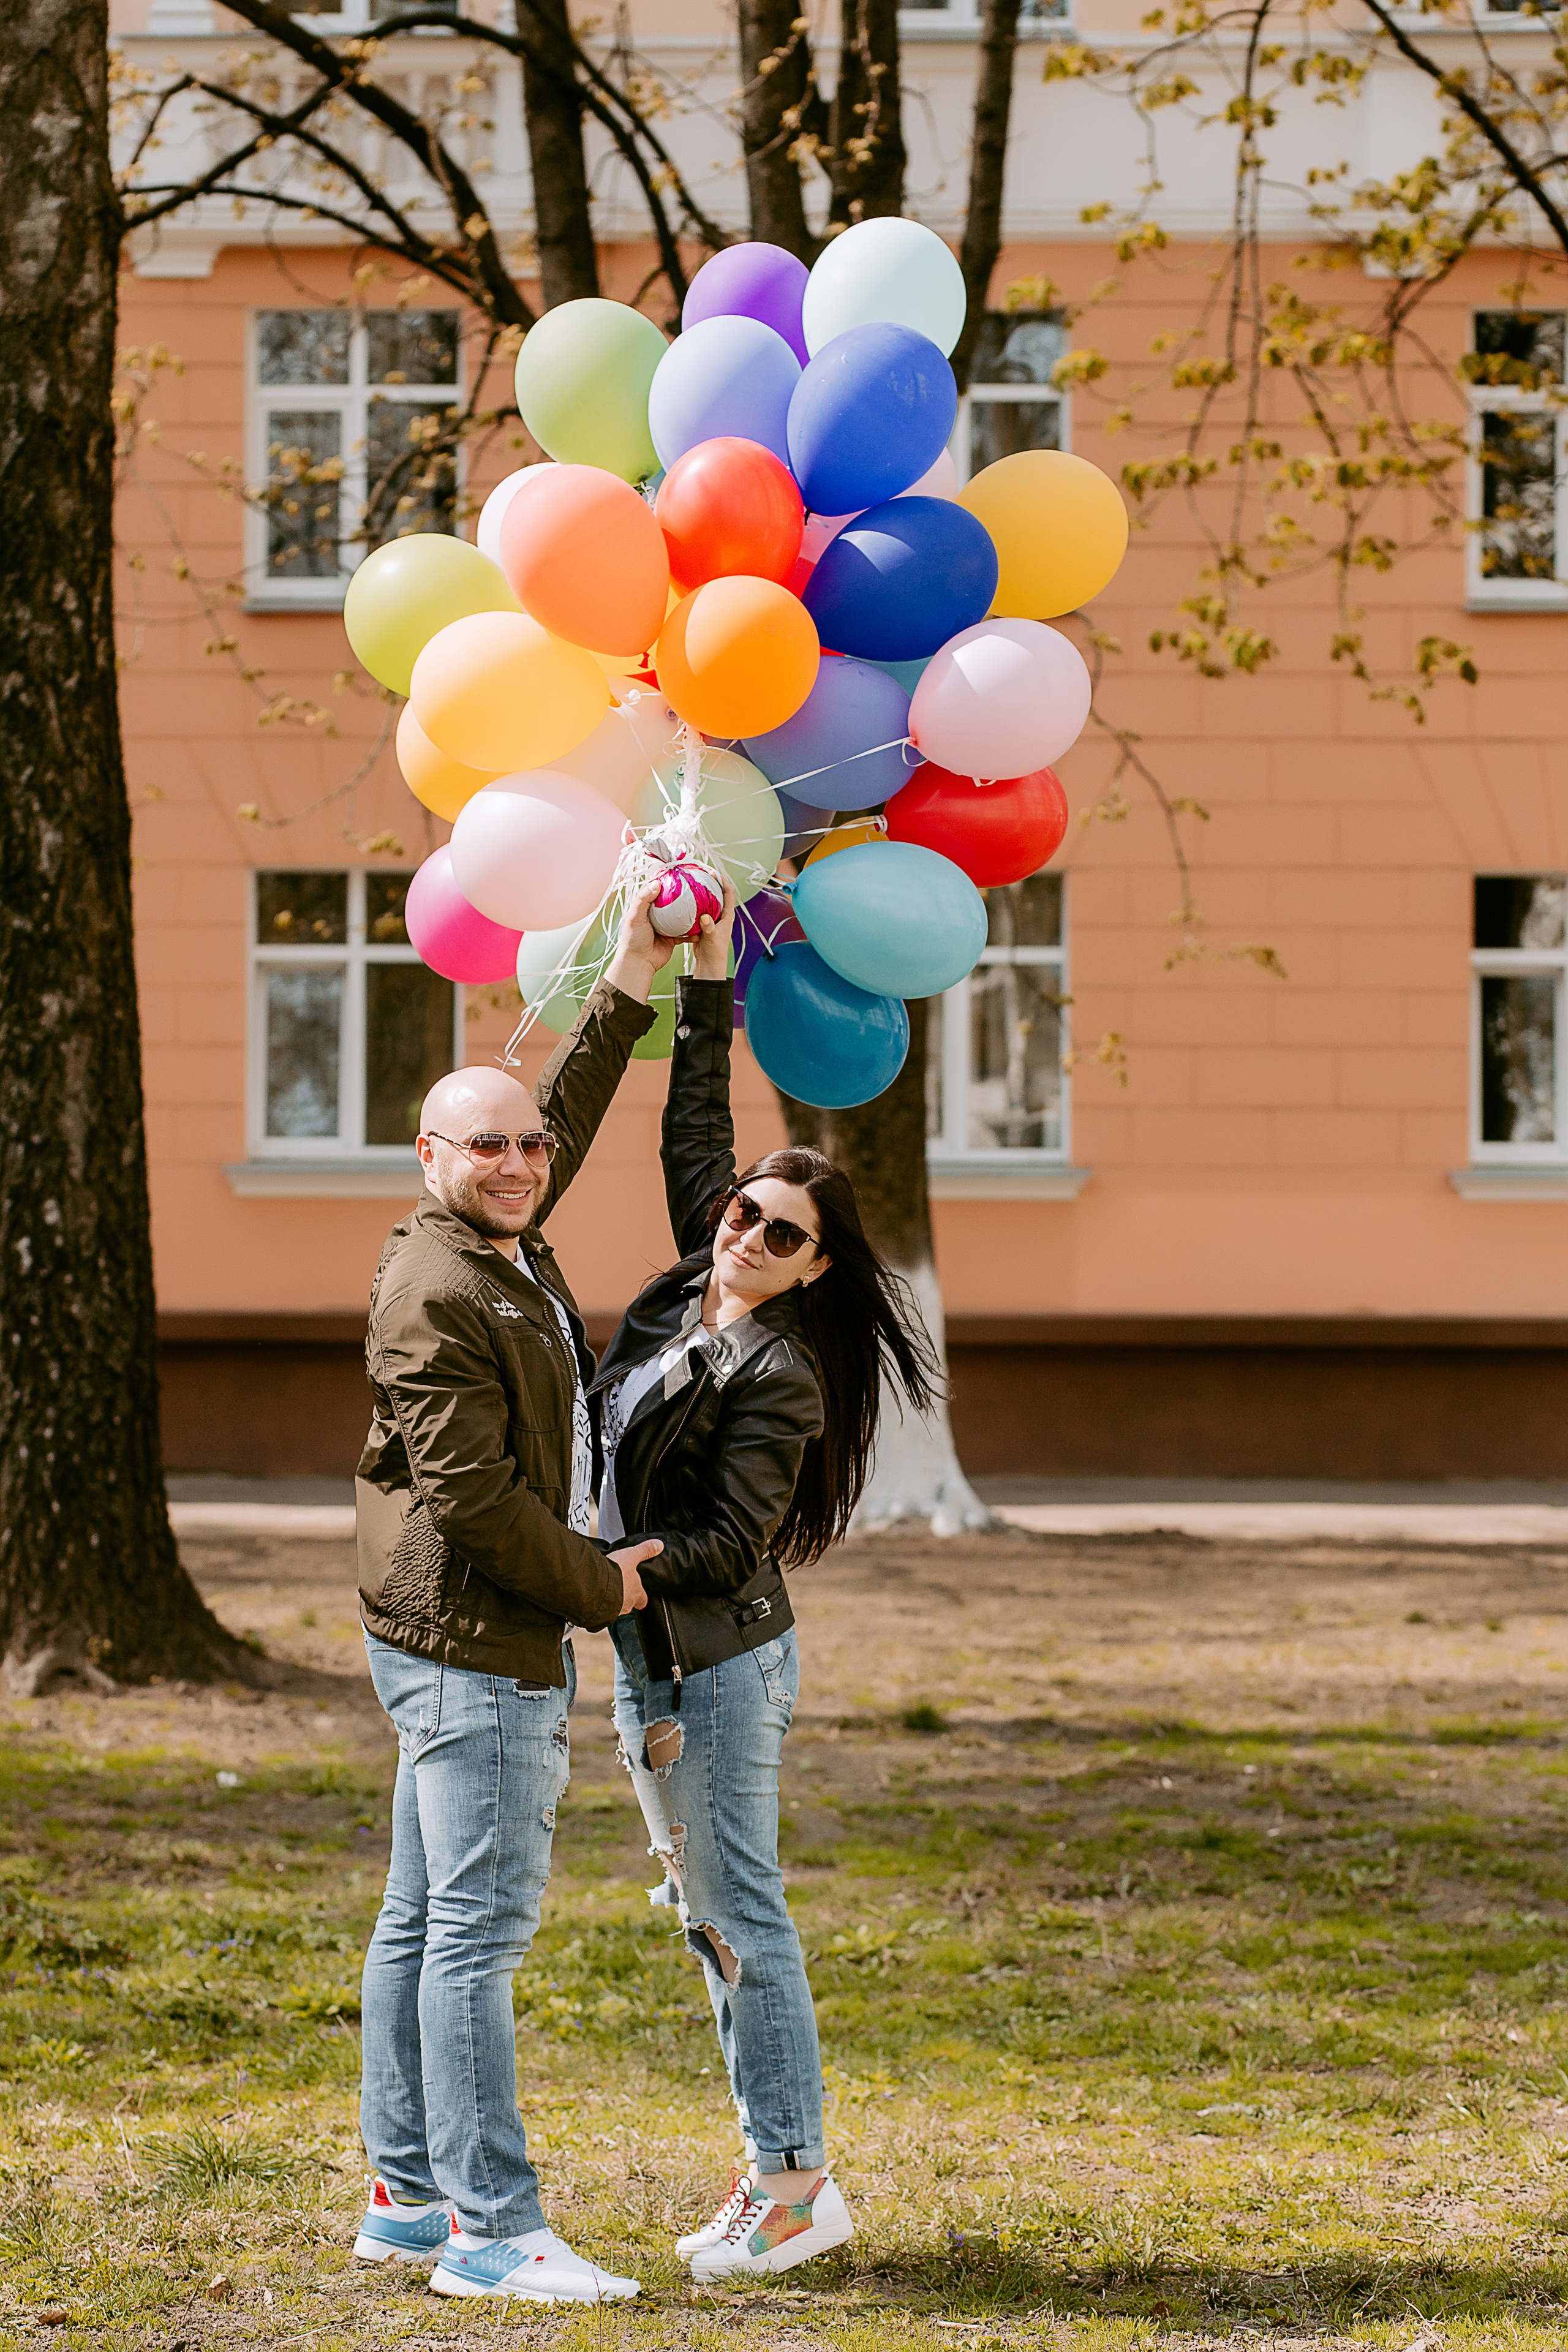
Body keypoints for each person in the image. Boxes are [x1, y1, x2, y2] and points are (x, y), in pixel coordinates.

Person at [590, 884, 941, 2283]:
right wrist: (703, 979)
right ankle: (770, 2165)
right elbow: (693, 1125)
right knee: (705, 1917)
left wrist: (584, 1574)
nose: (746, 1233)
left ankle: (795, 2185)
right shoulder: (692, 1287)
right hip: (648, 1662)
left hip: (716, 1664)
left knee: (738, 1910)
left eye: (781, 1233)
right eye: (745, 1211)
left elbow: (730, 1543)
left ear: (815, 1269)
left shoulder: (780, 1370)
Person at [351, 891, 672, 2307]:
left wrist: (632, 979)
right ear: (428, 1155)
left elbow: (567, 1115)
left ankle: (407, 2203)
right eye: (486, 1144)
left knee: (421, 1928)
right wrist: (597, 1587)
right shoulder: (435, 1287)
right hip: (473, 1642)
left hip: (443, 1636)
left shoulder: (499, 1235)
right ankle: (493, 2232)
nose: (520, 1161)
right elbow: (474, 1500)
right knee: (469, 1940)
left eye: (527, 1143)